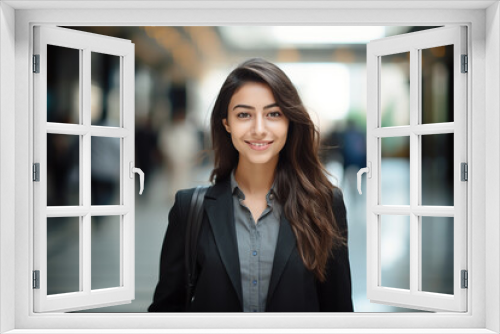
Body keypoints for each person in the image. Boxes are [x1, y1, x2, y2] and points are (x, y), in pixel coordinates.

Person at [148, 58, 354, 312]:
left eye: (273, 114)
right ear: (227, 123)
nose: (259, 129)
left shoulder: (325, 205)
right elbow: (165, 313)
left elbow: (339, 313)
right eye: (244, 114)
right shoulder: (189, 209)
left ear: (289, 122)